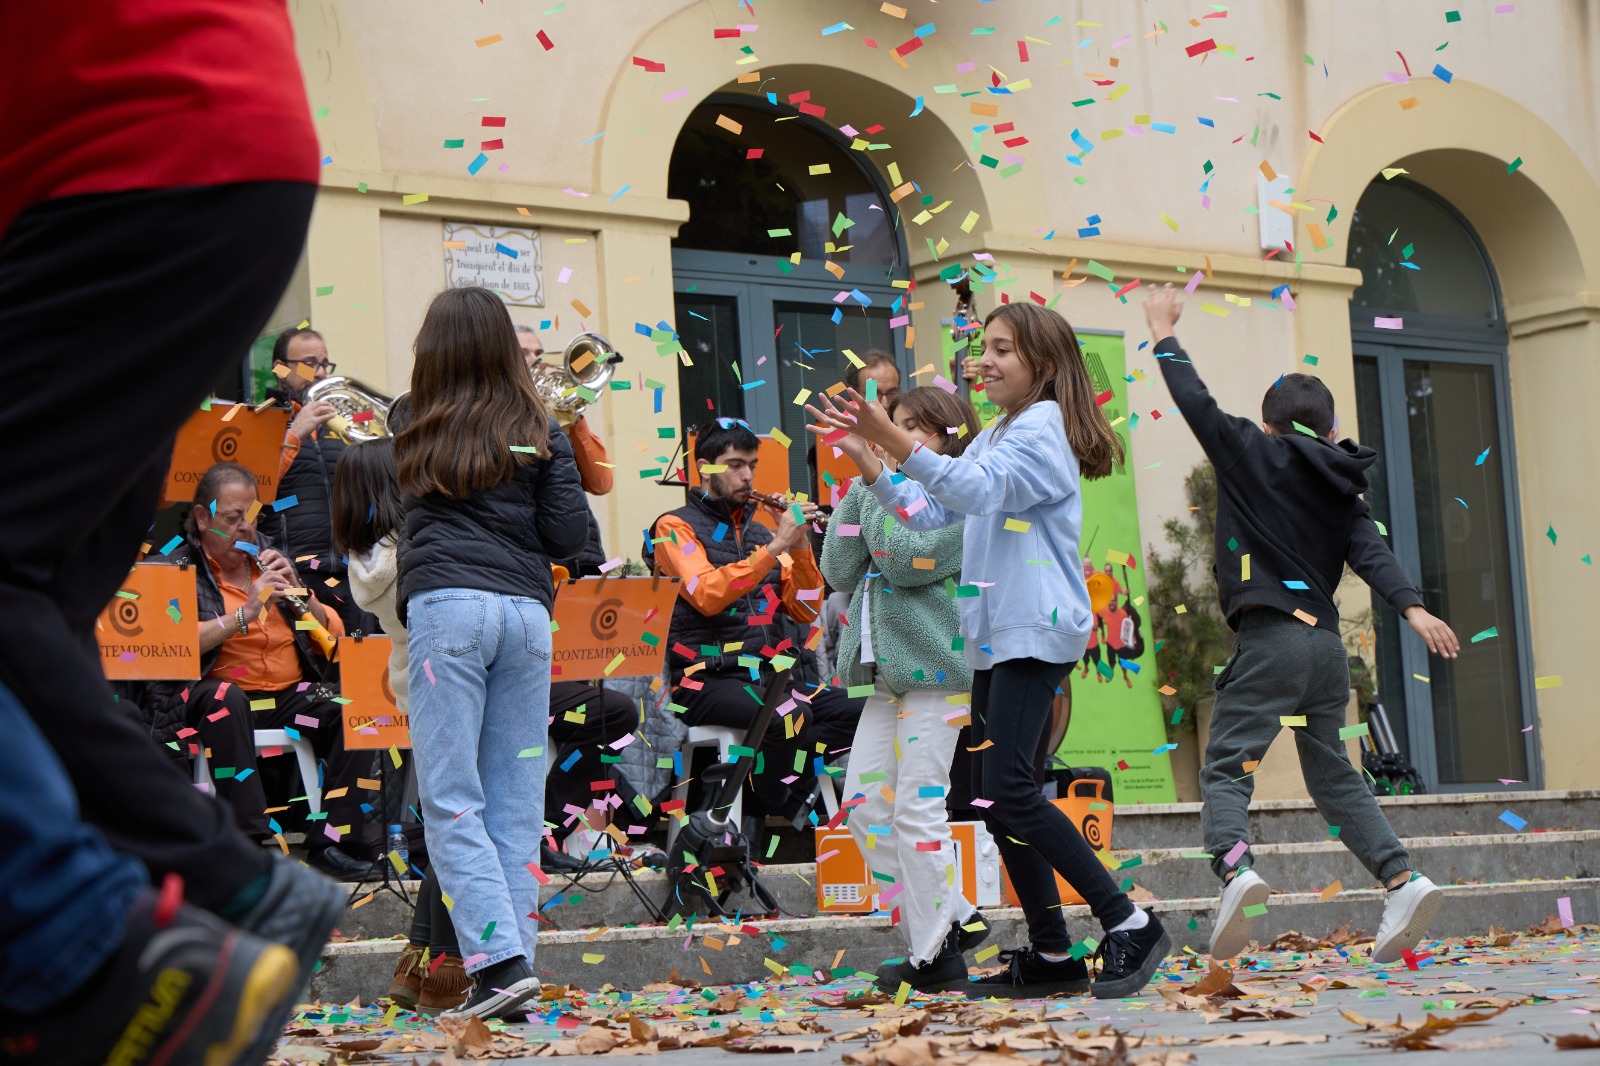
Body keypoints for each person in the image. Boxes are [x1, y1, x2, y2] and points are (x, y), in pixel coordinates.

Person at [0, 2, 344, 1058]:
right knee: (34, 611)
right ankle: (205, 893)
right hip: (185, 157)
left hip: (127, 162)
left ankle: (114, 939)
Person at [809, 302, 1170, 1001]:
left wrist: (889, 433)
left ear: (1044, 364)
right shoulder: (1003, 430)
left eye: (1004, 349)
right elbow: (931, 510)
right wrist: (870, 461)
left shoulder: (1040, 431)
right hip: (995, 638)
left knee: (1006, 790)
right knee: (990, 795)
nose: (988, 361)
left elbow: (972, 490)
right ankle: (1054, 953)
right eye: (986, 349)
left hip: (1032, 630)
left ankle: (1129, 920)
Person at [1143, 284, 1460, 963]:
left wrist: (1162, 330)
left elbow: (1194, 401)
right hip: (1324, 651)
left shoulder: (1250, 452)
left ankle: (1235, 870)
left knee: (1228, 766)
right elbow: (1371, 550)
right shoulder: (1342, 482)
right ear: (1327, 422)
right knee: (1336, 777)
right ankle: (1402, 879)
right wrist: (1413, 607)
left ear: (1268, 423)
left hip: (1272, 638)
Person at [396, 286, 590, 1019]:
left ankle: (498, 962)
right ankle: (512, 973)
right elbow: (570, 537)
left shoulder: (408, 418)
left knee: (451, 799)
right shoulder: (542, 427)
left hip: (448, 608)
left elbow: (395, 509)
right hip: (526, 616)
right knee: (514, 804)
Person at [822, 386, 994, 994]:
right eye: (898, 424)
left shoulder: (964, 496)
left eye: (922, 426)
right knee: (864, 806)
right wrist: (864, 482)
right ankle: (958, 917)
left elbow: (908, 559)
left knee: (918, 809)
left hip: (940, 674)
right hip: (883, 676)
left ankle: (929, 958)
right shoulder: (875, 487)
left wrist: (872, 481)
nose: (906, 437)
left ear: (951, 434)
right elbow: (838, 570)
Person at [143, 462, 374, 877]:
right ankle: (248, 842)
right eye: (232, 518)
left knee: (353, 704)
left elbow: (332, 639)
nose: (244, 529)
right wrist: (245, 615)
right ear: (201, 517)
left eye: (251, 518)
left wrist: (304, 599)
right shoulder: (173, 566)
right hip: (211, 692)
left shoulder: (271, 556)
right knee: (224, 699)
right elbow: (170, 645)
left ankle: (335, 842)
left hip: (285, 697)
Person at [648, 419, 864, 846]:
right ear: (704, 468)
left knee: (862, 708)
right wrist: (774, 549)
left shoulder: (765, 531)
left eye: (751, 465)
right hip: (704, 677)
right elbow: (707, 594)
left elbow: (803, 609)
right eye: (734, 465)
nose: (747, 476)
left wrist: (800, 544)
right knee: (788, 716)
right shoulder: (673, 527)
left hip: (765, 676)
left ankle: (760, 788)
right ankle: (778, 799)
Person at [333, 438, 473, 1015]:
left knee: (450, 822)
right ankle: (444, 966)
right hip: (444, 683)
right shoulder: (412, 547)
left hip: (418, 684)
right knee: (458, 825)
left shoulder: (369, 554)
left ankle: (416, 964)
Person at [267, 325, 383, 636]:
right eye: (308, 364)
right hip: (294, 572)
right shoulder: (261, 421)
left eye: (324, 364)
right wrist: (294, 435)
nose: (319, 374)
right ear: (279, 369)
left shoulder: (346, 423)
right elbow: (252, 495)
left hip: (353, 573)